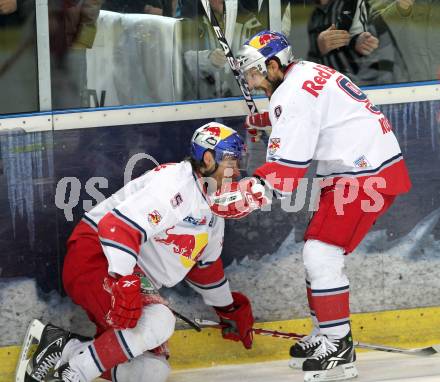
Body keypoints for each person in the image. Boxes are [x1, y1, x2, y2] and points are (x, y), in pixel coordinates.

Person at [236, 30, 411, 381]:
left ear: (274, 65)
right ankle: (326, 333)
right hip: (363, 166)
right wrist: (265, 120)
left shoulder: (292, 93)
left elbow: (286, 174)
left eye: (255, 71)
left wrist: (248, 191)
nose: (252, 81)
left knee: (320, 253)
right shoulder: (303, 73)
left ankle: (338, 342)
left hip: (364, 174)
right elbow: (310, 114)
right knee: (316, 251)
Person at [21, 123, 258, 382]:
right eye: (231, 162)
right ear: (208, 158)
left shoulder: (213, 210)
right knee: (159, 320)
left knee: (152, 371)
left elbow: (205, 270)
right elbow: (116, 228)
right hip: (95, 257)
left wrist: (228, 309)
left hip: (130, 278)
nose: (236, 172)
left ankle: (66, 348)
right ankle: (72, 375)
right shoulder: (174, 183)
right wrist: (124, 279)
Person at [308, 0, 407, 85]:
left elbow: (384, 51)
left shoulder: (351, 6)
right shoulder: (315, 17)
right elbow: (314, 58)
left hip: (376, 91)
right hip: (343, 93)